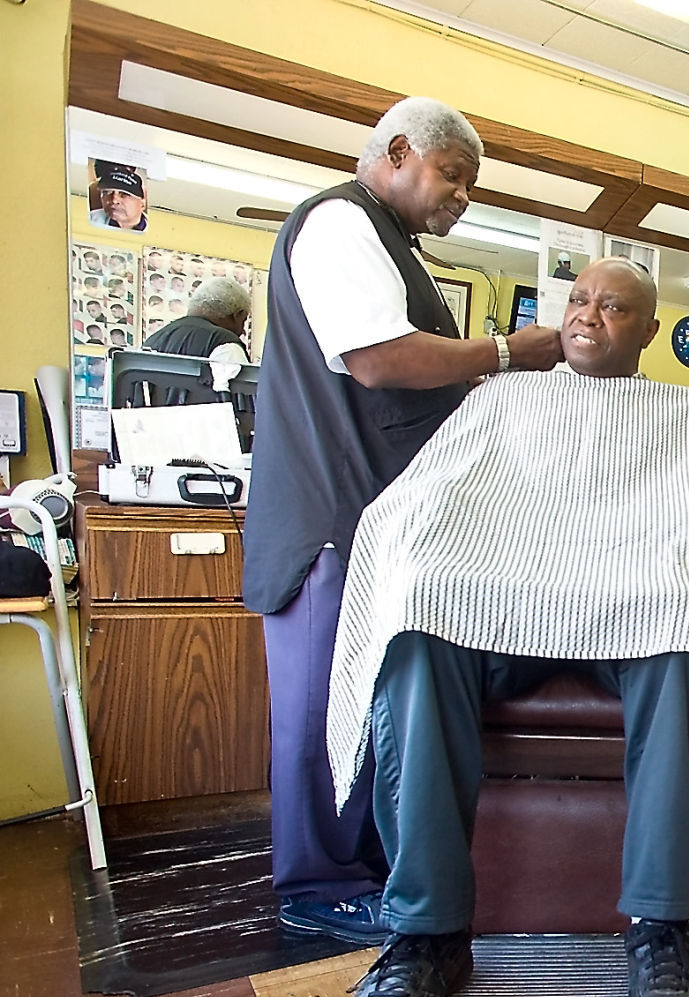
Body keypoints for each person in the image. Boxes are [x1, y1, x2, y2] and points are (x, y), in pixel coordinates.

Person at [322, 258, 689, 997]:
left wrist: (674, 575)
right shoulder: (501, 397)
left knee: (683, 635)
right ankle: (425, 937)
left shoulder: (688, 415)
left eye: (613, 307)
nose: (586, 315)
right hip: (497, 623)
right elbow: (424, 504)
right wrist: (427, 566)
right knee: (418, 630)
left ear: (647, 330)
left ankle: (660, 930)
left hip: (630, 625)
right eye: (577, 300)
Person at [242, 96, 563, 946]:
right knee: (321, 708)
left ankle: (370, 866)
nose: (462, 197)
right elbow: (379, 359)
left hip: (379, 521)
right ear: (396, 152)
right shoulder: (340, 222)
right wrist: (504, 352)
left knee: (371, 705)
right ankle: (317, 884)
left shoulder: (391, 246)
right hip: (329, 518)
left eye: (470, 186)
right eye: (453, 177)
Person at [144, 277, 253, 393]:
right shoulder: (226, 345)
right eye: (243, 321)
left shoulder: (153, 340)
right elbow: (244, 403)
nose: (242, 332)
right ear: (238, 315)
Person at [87, 163, 148, 232]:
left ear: (142, 204)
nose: (114, 200)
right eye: (107, 192)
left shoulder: (158, 231)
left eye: (124, 194)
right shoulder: (89, 220)